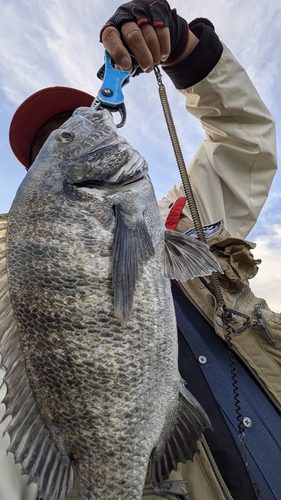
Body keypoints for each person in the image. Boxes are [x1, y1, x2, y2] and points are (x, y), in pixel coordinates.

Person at [1, 1, 281, 499]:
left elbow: (245, 143)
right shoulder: (22, 282)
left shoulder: (179, 220)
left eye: (69, 122)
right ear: (37, 182)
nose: (76, 127)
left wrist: (188, 52)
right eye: (50, 143)